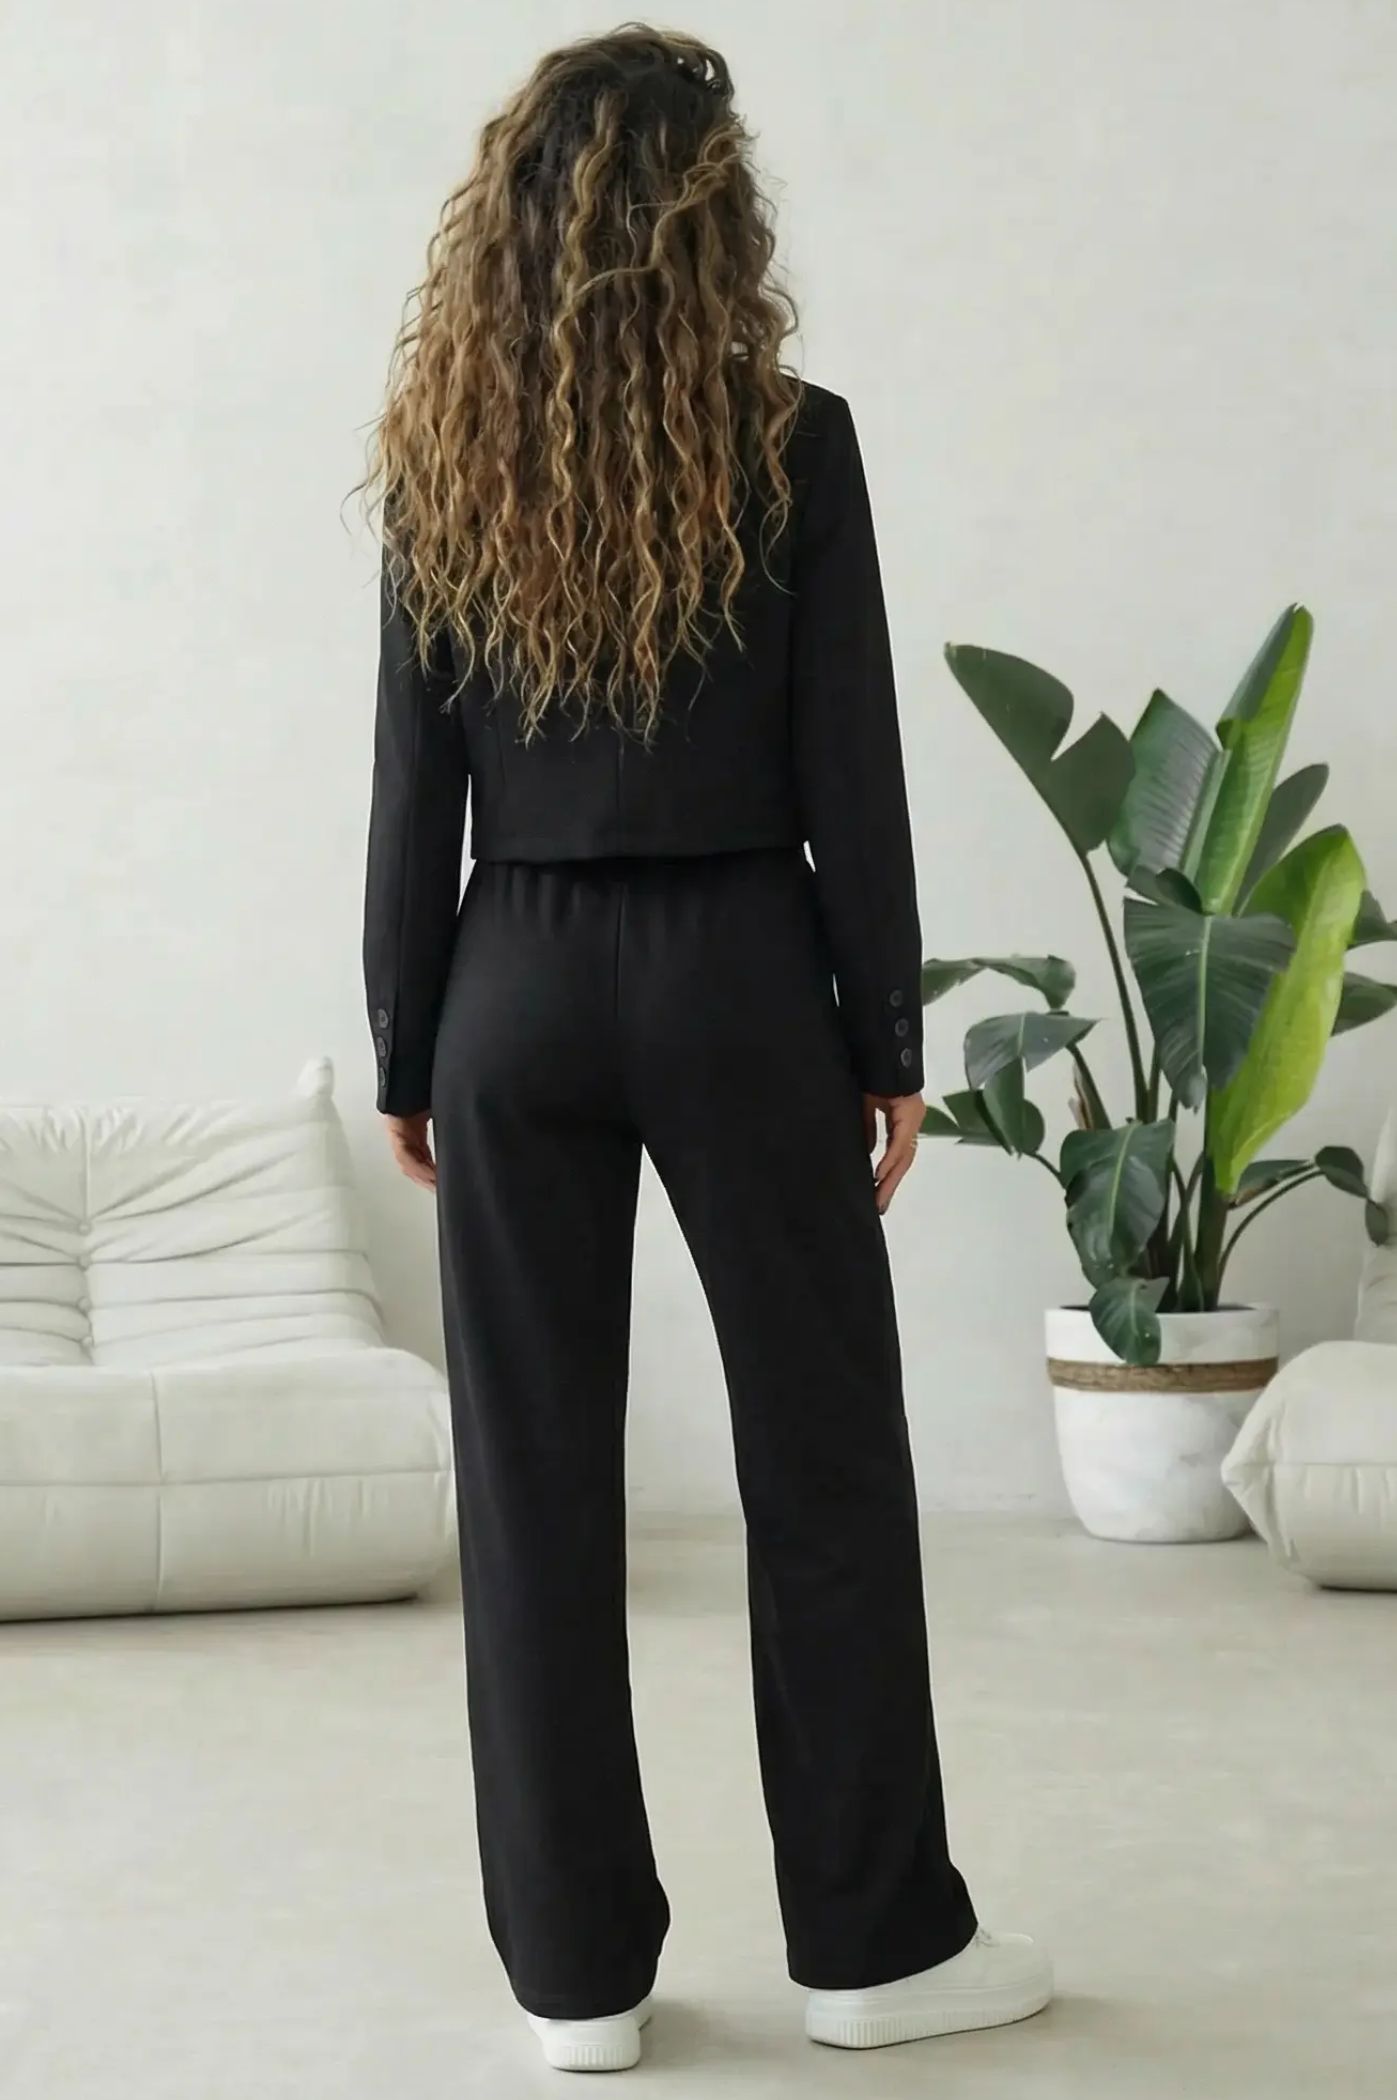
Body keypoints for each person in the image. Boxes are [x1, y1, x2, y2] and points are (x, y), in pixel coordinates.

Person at [360, 26, 1050, 2074]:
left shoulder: (447, 446)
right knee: (823, 1460)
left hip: (511, 982)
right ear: (715, 218)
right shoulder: (794, 441)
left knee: (531, 1488)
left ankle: (575, 1985)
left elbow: (411, 787)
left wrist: (407, 1038)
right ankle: (871, 1949)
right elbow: (853, 762)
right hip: (743, 974)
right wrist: (887, 1025)